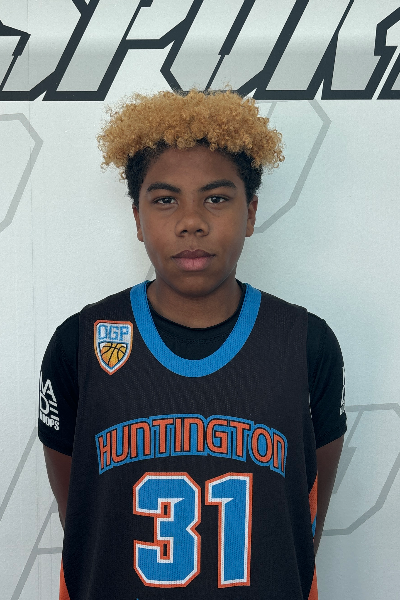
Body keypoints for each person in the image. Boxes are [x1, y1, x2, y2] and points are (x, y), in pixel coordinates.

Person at [38, 86, 347, 599]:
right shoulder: (80, 344)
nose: (191, 222)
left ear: (251, 212)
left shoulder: (307, 344)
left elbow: (303, 515)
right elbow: (87, 518)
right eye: (165, 200)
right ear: (137, 218)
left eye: (216, 198)